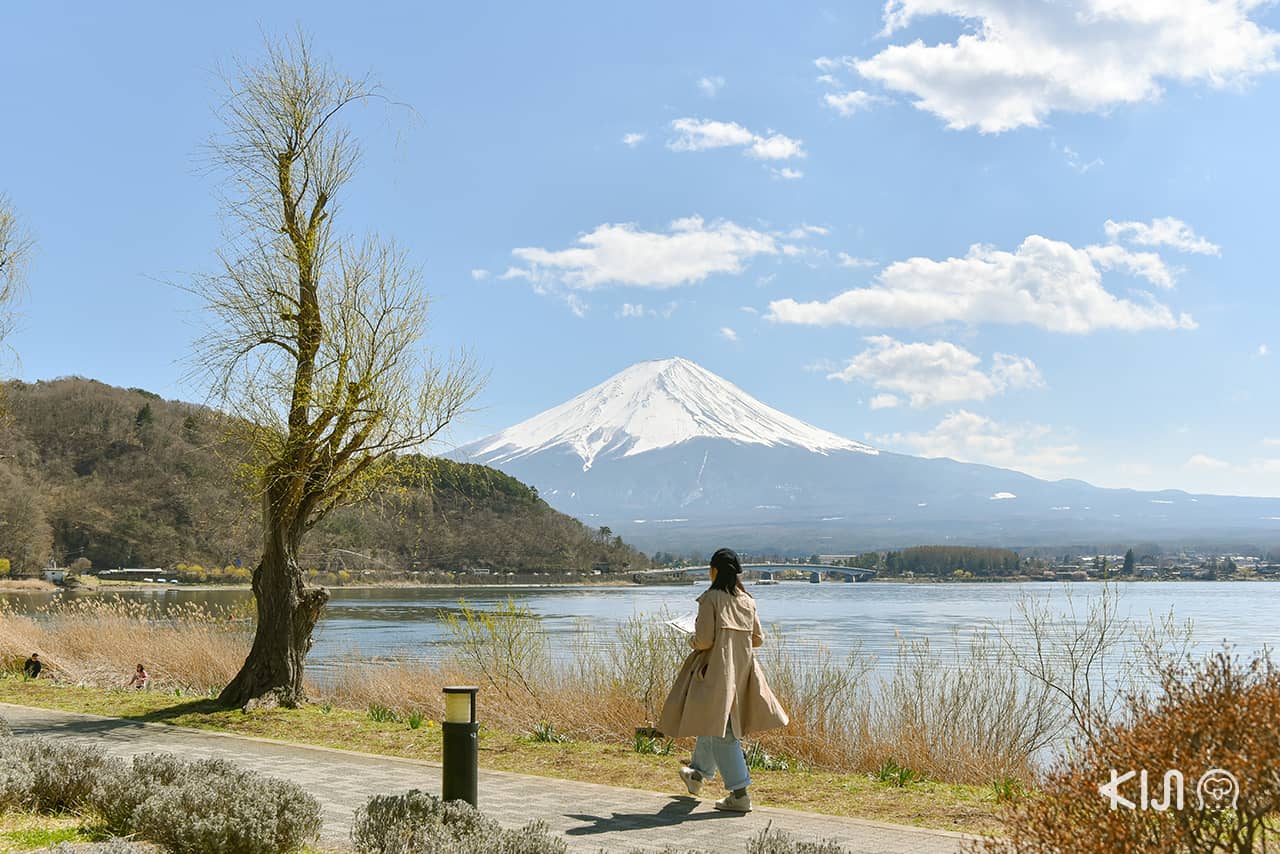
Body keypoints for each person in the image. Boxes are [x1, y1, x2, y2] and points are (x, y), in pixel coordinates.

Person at [658, 547, 789, 813]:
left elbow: (704, 640)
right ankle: (696, 775)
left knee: (724, 731)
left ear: (714, 570)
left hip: (715, 672)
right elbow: (758, 639)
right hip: (743, 673)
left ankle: (740, 794)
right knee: (715, 722)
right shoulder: (747, 600)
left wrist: (691, 638)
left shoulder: (711, 599)